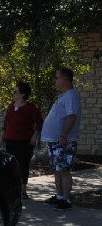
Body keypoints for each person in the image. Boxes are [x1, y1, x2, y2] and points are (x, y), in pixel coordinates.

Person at [41, 67, 81, 211]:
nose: (55, 80)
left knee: (64, 170)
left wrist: (63, 135)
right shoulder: (63, 96)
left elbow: (72, 116)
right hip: (55, 142)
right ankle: (59, 197)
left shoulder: (71, 96)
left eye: (57, 77)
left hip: (64, 141)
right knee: (57, 170)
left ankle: (66, 199)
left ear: (65, 79)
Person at [0, 81, 43, 199]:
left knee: (23, 165)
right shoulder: (10, 107)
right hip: (10, 140)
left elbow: (39, 122)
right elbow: (5, 125)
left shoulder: (30, 108)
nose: (13, 93)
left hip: (24, 142)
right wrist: (1, 139)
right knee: (11, 164)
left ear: (22, 94)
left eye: (15, 91)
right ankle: (12, 189)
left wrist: (35, 135)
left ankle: (23, 190)